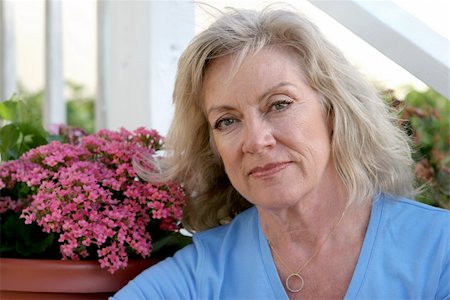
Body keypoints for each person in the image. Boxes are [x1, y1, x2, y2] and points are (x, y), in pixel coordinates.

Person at [112, 7, 450, 300]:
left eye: (279, 104)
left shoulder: (438, 250)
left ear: (333, 112)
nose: (256, 140)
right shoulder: (202, 272)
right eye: (227, 121)